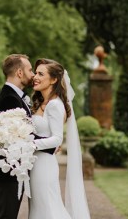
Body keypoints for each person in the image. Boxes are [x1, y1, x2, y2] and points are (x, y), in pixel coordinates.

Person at [29, 58, 90, 219]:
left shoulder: (55, 105)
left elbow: (56, 139)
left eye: (41, 74)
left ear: (54, 79)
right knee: (39, 208)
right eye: (35, 73)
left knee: (48, 208)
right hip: (36, 164)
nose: (35, 76)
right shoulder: (41, 103)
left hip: (44, 165)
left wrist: (28, 144)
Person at [0, 54, 35, 219]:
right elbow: (20, 136)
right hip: (7, 170)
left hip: (12, 170)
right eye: (30, 70)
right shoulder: (9, 98)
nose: (33, 74)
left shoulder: (15, 96)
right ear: (20, 73)